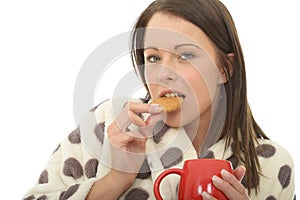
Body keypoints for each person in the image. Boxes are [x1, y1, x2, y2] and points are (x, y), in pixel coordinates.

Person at [23, 0, 295, 199]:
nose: (164, 73)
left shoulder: (272, 165)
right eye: (153, 57)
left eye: (186, 55)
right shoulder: (106, 125)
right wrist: (114, 181)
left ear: (224, 69)